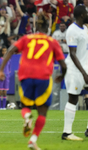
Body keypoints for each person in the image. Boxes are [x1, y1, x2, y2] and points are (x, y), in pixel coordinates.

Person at [0, 12, 67, 149]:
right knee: (42, 112)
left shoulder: (27, 38)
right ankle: (33, 140)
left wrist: (1, 70)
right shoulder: (52, 42)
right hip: (43, 78)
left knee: (25, 106)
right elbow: (63, 65)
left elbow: (11, 50)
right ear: (47, 28)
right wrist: (62, 76)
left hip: (25, 77)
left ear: (36, 27)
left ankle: (27, 115)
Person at [61, 5, 88, 140]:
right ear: (82, 15)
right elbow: (72, 54)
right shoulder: (72, 30)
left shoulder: (85, 29)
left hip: (85, 69)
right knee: (73, 98)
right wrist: (83, 73)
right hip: (75, 70)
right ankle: (67, 133)